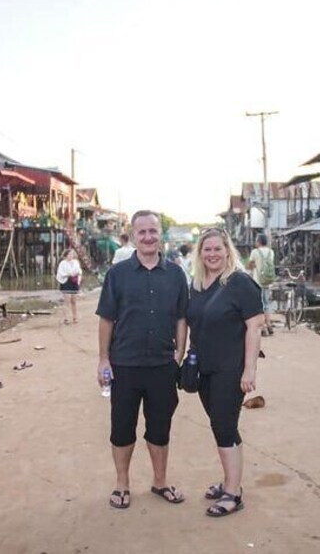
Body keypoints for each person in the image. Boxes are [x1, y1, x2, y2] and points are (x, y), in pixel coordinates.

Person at [96, 210, 189, 509]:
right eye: (142, 232)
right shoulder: (117, 274)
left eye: (153, 231)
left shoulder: (176, 274)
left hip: (162, 366)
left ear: (160, 233)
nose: (148, 237)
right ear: (133, 235)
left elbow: (181, 318)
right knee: (122, 428)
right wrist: (103, 360)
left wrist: (179, 353)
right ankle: (122, 484)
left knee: (160, 428)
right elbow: (106, 319)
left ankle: (160, 481)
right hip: (124, 365)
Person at [186, 227, 264, 517]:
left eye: (218, 248)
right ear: (200, 253)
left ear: (227, 251)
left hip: (230, 368)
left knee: (223, 425)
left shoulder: (240, 282)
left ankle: (233, 493)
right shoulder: (197, 284)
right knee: (223, 425)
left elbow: (255, 326)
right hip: (204, 367)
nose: (212, 254)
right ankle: (231, 481)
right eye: (207, 249)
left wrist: (249, 370)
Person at [246, 234, 275, 336]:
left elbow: (248, 266)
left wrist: (253, 264)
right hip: (267, 281)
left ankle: (263, 328)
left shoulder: (255, 252)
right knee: (266, 304)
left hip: (257, 282)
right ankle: (269, 324)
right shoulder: (271, 252)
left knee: (259, 305)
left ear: (258, 242)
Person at [56, 248, 82, 324]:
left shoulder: (76, 262)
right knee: (66, 301)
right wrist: (69, 274)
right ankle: (66, 318)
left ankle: (75, 317)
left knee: (74, 301)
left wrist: (76, 275)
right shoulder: (62, 263)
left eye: (72, 254)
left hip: (74, 282)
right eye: (69, 254)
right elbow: (60, 273)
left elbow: (79, 271)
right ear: (66, 255)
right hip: (66, 282)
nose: (71, 256)